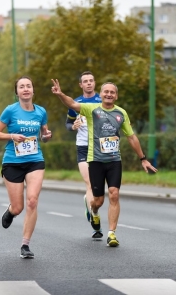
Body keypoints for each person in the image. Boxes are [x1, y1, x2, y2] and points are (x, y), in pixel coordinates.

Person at [51, 79, 157, 247]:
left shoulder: (121, 113)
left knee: (114, 194)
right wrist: (60, 94)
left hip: (114, 160)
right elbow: (72, 104)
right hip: (96, 161)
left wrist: (143, 158)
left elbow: (131, 136)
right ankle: (93, 211)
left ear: (116, 96)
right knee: (98, 201)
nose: (109, 94)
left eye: (112, 92)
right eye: (106, 92)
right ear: (100, 95)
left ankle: (112, 233)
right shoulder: (91, 109)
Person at [0, 76, 52, 259]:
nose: (25, 89)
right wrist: (12, 136)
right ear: (16, 92)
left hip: (35, 160)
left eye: (28, 86)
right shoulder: (10, 110)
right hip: (13, 162)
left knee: (32, 201)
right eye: (21, 87)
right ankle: (10, 212)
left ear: (33, 90)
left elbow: (44, 135)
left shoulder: (41, 111)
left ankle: (25, 245)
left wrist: (47, 136)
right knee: (18, 207)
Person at [65, 71, 102, 237]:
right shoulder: (76, 103)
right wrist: (73, 126)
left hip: (100, 147)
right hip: (83, 147)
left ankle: (89, 205)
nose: (88, 83)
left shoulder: (103, 101)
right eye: (85, 81)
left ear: (94, 83)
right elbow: (68, 123)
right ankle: (95, 218)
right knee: (89, 183)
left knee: (99, 188)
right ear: (81, 85)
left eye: (91, 80)